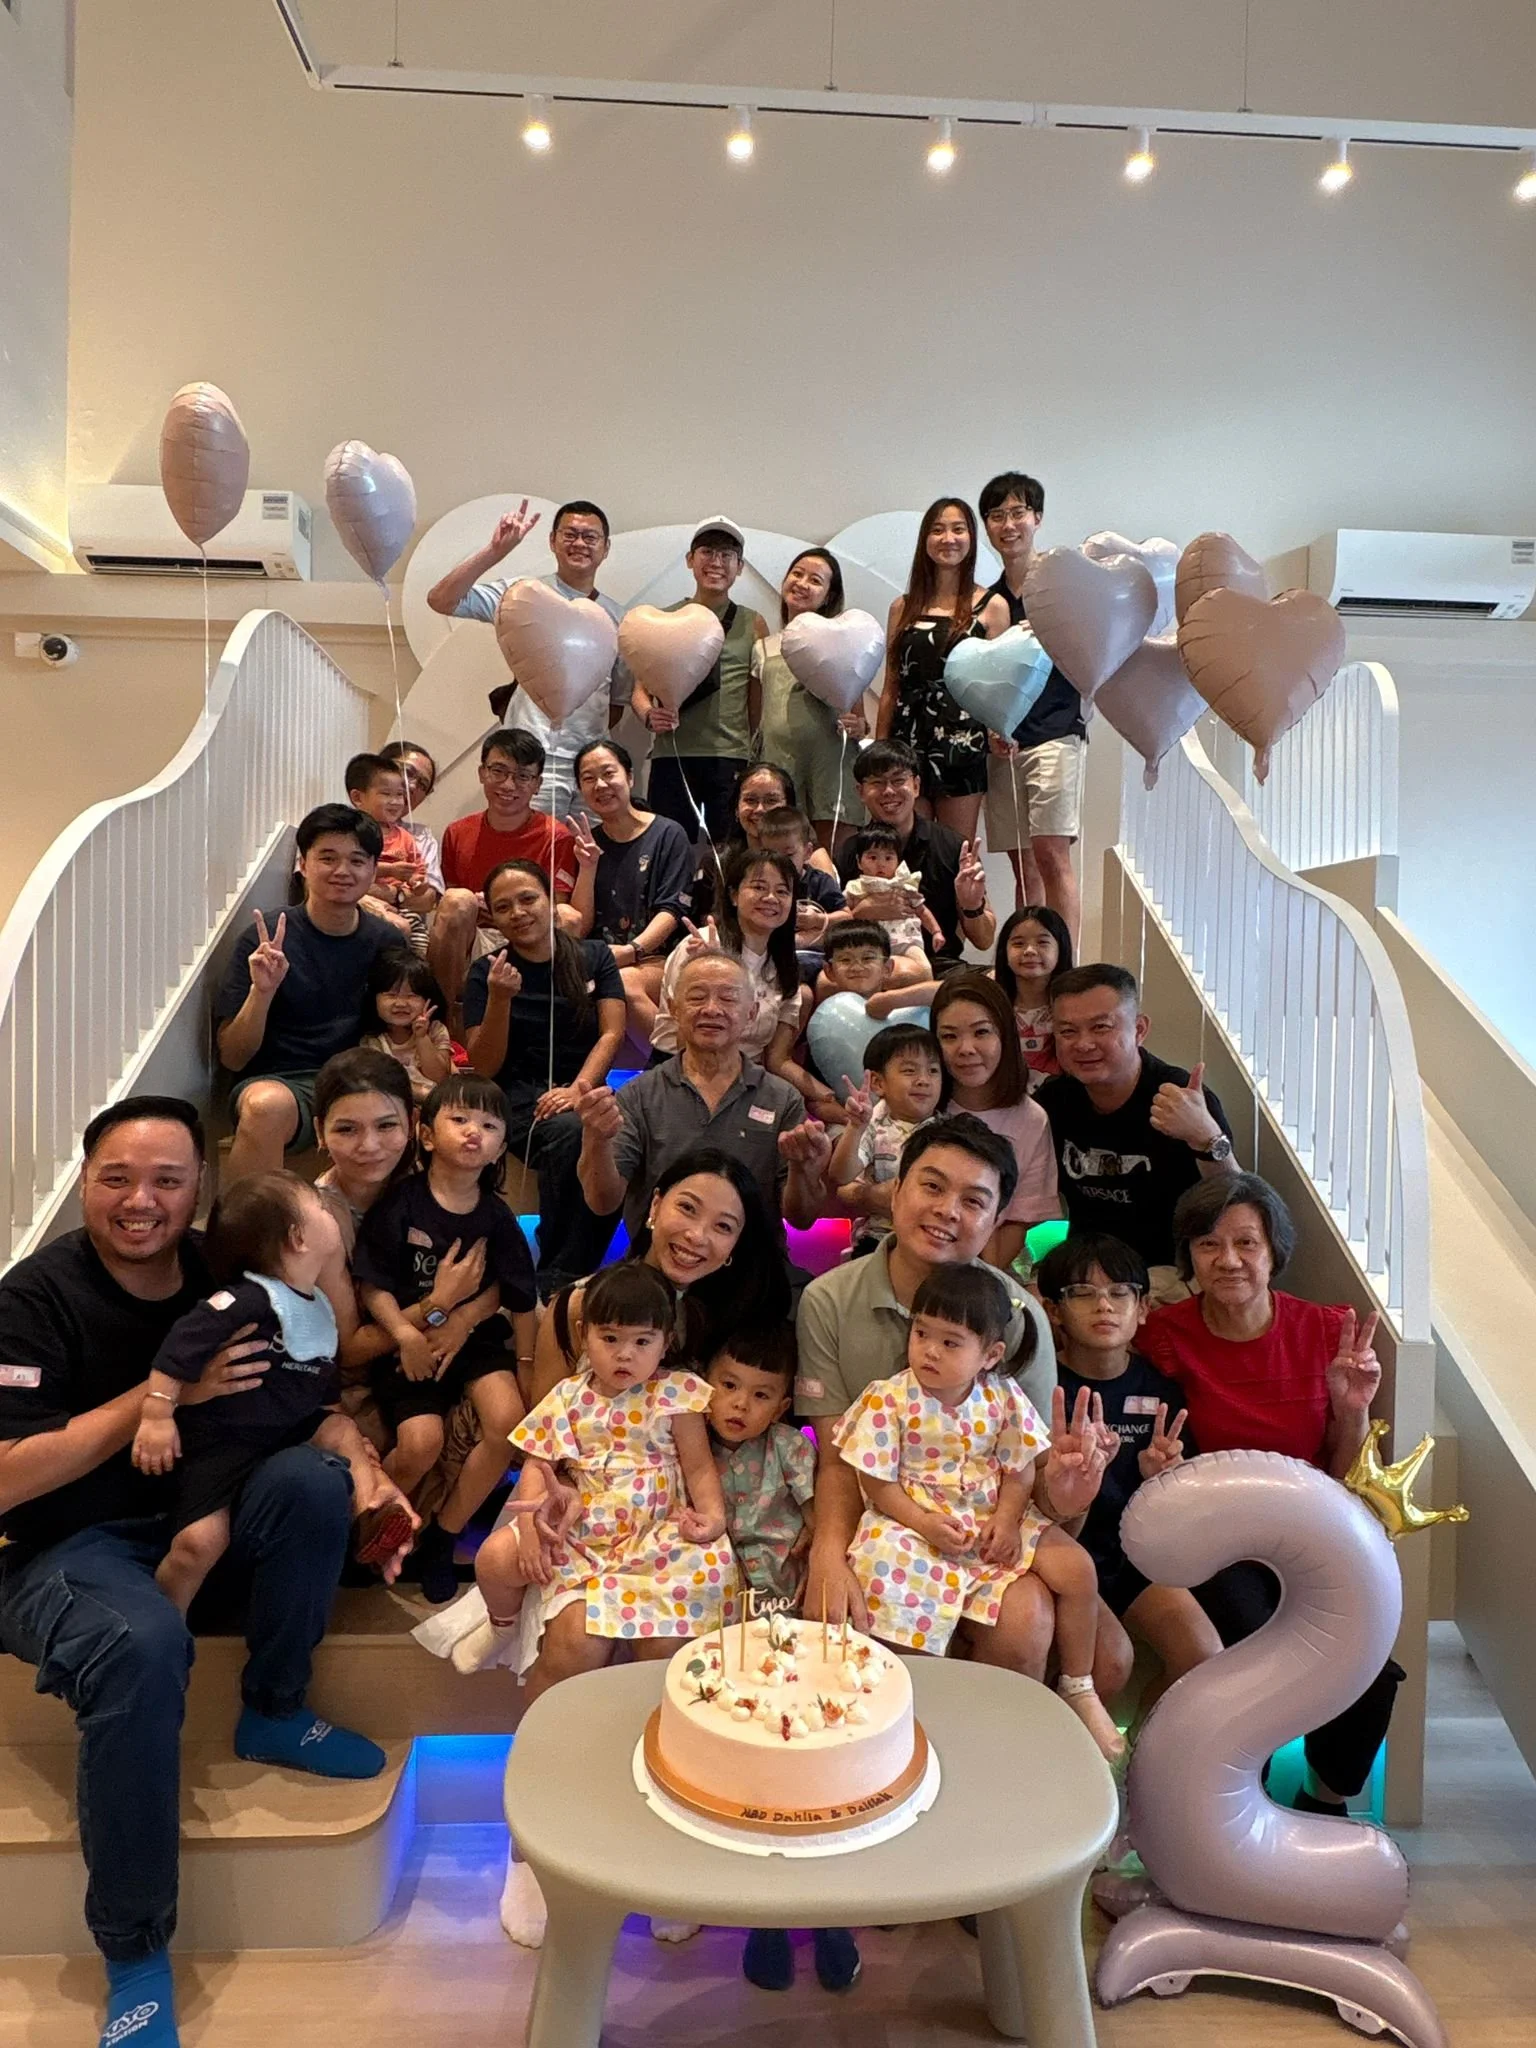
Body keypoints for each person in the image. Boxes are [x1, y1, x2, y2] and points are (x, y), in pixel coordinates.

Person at [0, 1098, 411, 2048]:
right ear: (86, 1180)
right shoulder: (34, 1300)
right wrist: (162, 1398)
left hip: (204, 1522)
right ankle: (135, 1953)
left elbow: (304, 1405)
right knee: (141, 1644)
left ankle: (273, 1708)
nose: (141, 1201)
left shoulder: (226, 1270)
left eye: (167, 1181)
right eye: (117, 1178)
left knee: (311, 1482)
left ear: (199, 1192)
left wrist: (364, 1464)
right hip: (70, 1551)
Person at [796, 1116, 1130, 1699]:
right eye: (932, 1186)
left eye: (973, 1201)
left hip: (985, 1524)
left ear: (997, 1221)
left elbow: (1032, 1474)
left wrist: (1068, 1493)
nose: (947, 1210)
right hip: (892, 1520)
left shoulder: (1017, 1317)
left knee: (1096, 1653)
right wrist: (829, 1553)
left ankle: (990, 1750)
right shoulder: (830, 1299)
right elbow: (837, 1459)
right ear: (895, 1191)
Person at [455, 1261, 730, 1948]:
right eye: (610, 1339)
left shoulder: (676, 1396)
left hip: (661, 1541)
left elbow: (699, 1468)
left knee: (668, 1660)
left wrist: (712, 1517)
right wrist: (532, 1515)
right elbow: (537, 1468)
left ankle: (668, 1835)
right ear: (585, 1337)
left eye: (642, 1341)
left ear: (666, 1342)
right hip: (589, 1538)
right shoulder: (569, 1399)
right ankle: (532, 1832)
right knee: (574, 1645)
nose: (624, 1355)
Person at [1140, 1174, 1402, 1815]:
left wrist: (1352, 1410)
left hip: (1315, 1534)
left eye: (1246, 1243)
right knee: (1258, 1640)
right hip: (1217, 1542)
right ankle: (1231, 1802)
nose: (1228, 1260)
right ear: (1189, 1255)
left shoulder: (1327, 1331)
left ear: (1274, 1251)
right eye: (1208, 1244)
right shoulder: (1164, 1336)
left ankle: (1324, 1800)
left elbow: (1342, 1477)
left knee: (1371, 1669)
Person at [836, 1262, 1124, 1761]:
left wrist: (1007, 1519)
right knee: (887, 1581)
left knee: (1077, 1567)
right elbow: (876, 1483)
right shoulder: (889, 1399)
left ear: (990, 1355)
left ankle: (1078, 1687)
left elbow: (1020, 1469)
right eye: (921, 1332)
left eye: (950, 1342)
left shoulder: (1003, 1396)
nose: (929, 1350)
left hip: (990, 1513)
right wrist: (923, 1522)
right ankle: (899, 1710)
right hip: (914, 1519)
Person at [132, 1172, 407, 1613]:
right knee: (198, 1544)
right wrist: (157, 1413)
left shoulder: (317, 1306)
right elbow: (180, 1345)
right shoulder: (249, 1299)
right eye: (320, 1206)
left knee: (340, 1429)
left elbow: (322, 1380)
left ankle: (370, 1508)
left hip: (287, 1430)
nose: (330, 1211)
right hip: (225, 1441)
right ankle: (168, 1621)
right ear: (298, 1238)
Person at [704, 1324, 860, 1997]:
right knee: (747, 1764)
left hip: (786, 1615)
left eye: (762, 1394)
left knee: (811, 1755)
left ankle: (829, 1911)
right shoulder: (685, 1443)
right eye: (728, 1385)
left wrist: (815, 1542)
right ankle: (764, 1914)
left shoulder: (791, 1449)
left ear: (783, 1405)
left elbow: (825, 1514)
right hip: (716, 1622)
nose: (741, 1404)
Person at [353, 1076, 538, 1601]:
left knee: (509, 1422)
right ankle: (374, 1527)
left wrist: (522, 1365)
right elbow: (372, 1285)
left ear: (501, 1147)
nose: (474, 1131)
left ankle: (443, 1534)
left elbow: (518, 1294)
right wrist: (404, 1333)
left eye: (489, 1125)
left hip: (475, 1342)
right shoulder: (401, 1203)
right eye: (459, 1119)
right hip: (408, 1342)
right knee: (421, 1440)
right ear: (428, 1134)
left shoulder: (496, 1216)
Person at [1036, 1234, 1220, 1687]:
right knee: (1112, 1663)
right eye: (1083, 1293)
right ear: (1054, 1310)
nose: (1104, 1305)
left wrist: (1161, 1479)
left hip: (1133, 1558)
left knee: (1204, 1654)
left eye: (1120, 1292)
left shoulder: (1162, 1390)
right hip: (1062, 1554)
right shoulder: (1040, 1386)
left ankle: (1146, 1735)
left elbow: (1179, 1505)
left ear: (1143, 1309)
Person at [575, 949, 834, 1243]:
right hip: (659, 1261)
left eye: (728, 998)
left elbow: (801, 1219)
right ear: (673, 1009)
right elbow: (602, 1203)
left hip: (754, 1262)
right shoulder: (638, 1095)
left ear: (751, 1013)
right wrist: (596, 1140)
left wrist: (804, 1170)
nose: (711, 1009)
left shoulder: (782, 1098)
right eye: (697, 997)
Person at [462, 859, 627, 1294]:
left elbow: (612, 1032)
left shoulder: (594, 956)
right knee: (572, 1132)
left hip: (584, 1087)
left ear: (551, 901)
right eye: (503, 907)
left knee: (614, 1132)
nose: (518, 912)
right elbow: (484, 1066)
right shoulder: (486, 971)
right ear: (493, 918)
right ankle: (561, 1273)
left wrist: (577, 1089)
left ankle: (587, 1265)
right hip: (517, 1096)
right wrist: (500, 999)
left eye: (528, 899)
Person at [215, 804, 402, 1180]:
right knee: (265, 1105)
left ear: (373, 870)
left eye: (357, 860)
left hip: (358, 1079)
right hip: (281, 1082)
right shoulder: (265, 941)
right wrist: (262, 992)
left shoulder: (387, 941)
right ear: (303, 864)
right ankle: (250, 1219)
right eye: (327, 858)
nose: (342, 871)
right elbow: (233, 1057)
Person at [527, 1148, 791, 1405]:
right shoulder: (581, 1303)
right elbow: (542, 1423)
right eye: (687, 1208)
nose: (697, 1235)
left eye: (723, 1226)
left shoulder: (733, 1321)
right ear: (655, 1205)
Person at [1037, 964, 1236, 1294]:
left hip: (1174, 1276)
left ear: (1139, 1029)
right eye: (1068, 1031)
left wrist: (1205, 1137)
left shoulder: (1180, 1098)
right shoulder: (1053, 1101)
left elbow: (1238, 1202)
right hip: (1088, 1276)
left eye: (1100, 1027)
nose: (1083, 1044)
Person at [425, 499, 629, 815]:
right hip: (531, 762)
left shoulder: (619, 617)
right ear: (552, 540)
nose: (579, 543)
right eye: (570, 534)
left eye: (590, 537)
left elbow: (616, 700)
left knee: (589, 848)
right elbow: (441, 600)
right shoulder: (522, 594)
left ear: (606, 548)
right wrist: (495, 551)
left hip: (593, 765)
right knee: (531, 846)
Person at [978, 472, 1088, 937]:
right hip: (1006, 743)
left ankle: (1068, 964)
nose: (1008, 525)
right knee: (1024, 866)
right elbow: (985, 679)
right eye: (996, 515)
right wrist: (992, 727)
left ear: (1037, 518)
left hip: (1057, 732)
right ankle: (1032, 961)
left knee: (1051, 853)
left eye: (1017, 513)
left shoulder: (1064, 587)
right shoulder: (989, 601)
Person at [656, 851, 839, 1118]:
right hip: (681, 1073)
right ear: (733, 895)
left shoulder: (785, 966)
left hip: (745, 1079)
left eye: (782, 891)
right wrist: (708, 970)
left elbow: (778, 1060)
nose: (771, 898)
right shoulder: (701, 945)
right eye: (759, 887)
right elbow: (686, 1041)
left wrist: (833, 1097)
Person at [874, 498, 1010, 842]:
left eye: (958, 529)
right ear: (925, 540)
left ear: (971, 538)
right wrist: (879, 750)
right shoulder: (902, 607)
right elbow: (891, 685)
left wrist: (999, 733)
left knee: (955, 851)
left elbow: (999, 688)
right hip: (907, 742)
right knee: (903, 849)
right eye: (938, 530)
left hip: (963, 743)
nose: (948, 538)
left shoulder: (992, 607)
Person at [636, 517, 767, 845]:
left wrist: (750, 749)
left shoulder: (753, 622)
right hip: (673, 754)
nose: (716, 562)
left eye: (727, 555)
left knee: (730, 850)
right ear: (690, 560)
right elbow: (639, 689)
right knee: (670, 847)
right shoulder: (663, 618)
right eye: (707, 551)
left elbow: (756, 697)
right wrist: (649, 715)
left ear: (739, 567)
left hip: (730, 756)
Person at [429, 728, 580, 1009]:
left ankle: (558, 1014)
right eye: (498, 771)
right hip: (475, 936)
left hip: (529, 934)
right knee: (457, 900)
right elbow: (449, 906)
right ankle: (443, 1015)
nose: (509, 785)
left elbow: (557, 905)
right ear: (482, 773)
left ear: (537, 784)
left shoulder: (556, 836)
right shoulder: (458, 832)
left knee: (569, 917)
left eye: (523, 776)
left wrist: (509, 911)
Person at [565, 737, 693, 1044]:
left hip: (656, 957)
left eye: (608, 773)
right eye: (588, 778)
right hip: (601, 958)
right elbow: (580, 924)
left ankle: (683, 1061)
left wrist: (633, 950)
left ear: (630, 777)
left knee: (622, 984)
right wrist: (588, 867)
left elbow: (672, 909)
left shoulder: (668, 834)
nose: (600, 785)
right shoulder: (587, 842)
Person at [929, 971, 1060, 1273]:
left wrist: (972, 1277)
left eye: (981, 1032)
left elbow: (1018, 1221)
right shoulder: (920, 1105)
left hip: (987, 1268)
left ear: (1005, 1036)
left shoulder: (1031, 1119)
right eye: (949, 1036)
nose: (966, 1048)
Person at [839, 740, 995, 967]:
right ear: (861, 792)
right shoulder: (849, 851)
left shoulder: (953, 847)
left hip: (939, 966)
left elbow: (984, 940)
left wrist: (971, 905)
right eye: (877, 782)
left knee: (993, 980)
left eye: (898, 780)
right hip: (865, 969)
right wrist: (860, 913)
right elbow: (830, 930)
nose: (889, 791)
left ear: (916, 785)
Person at [754, 548, 866, 851]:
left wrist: (858, 727)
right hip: (779, 764)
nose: (802, 583)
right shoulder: (762, 647)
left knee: (835, 857)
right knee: (782, 857)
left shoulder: (844, 643)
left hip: (831, 766)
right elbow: (756, 717)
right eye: (797, 574)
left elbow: (859, 718)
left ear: (829, 596)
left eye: (815, 580)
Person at [830, 1022, 945, 1255]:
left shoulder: (948, 1131)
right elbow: (840, 1175)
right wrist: (856, 1127)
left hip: (933, 1240)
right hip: (879, 1241)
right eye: (910, 1071)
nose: (924, 1080)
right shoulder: (874, 1127)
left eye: (933, 1070)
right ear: (878, 1083)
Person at [345, 751, 438, 931]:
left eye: (399, 795)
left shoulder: (410, 836)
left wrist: (416, 882)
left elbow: (426, 896)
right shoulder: (346, 830)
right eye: (386, 793)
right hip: (359, 909)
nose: (412, 786)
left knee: (418, 939)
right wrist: (391, 871)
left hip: (406, 912)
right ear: (358, 797)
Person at [756, 804, 847, 963]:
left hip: (816, 956)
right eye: (771, 855)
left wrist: (817, 919)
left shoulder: (819, 881)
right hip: (772, 957)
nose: (781, 862)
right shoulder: (758, 885)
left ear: (807, 852)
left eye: (789, 854)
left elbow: (846, 917)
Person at [360, 949, 454, 1103]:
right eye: (391, 995)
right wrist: (422, 1094)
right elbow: (380, 1083)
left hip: (436, 1104)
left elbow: (440, 1077)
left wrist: (422, 1038)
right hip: (392, 1103)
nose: (401, 1003)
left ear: (428, 1000)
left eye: (412, 996)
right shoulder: (371, 1039)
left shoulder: (436, 1030)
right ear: (374, 998)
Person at [993, 905, 1072, 1085]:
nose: (1029, 950)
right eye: (1018, 943)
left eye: (1042, 942)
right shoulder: (992, 1006)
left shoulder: (1075, 1008)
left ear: (1061, 948)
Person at [842, 823, 943, 963]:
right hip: (868, 944)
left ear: (898, 862)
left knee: (923, 967)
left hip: (907, 941)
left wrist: (936, 931)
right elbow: (842, 915)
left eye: (888, 858)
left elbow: (921, 909)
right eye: (873, 858)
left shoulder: (904, 885)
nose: (881, 864)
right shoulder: (855, 887)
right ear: (859, 862)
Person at [377, 740, 446, 902]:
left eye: (423, 784)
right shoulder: (342, 825)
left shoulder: (421, 836)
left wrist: (392, 895)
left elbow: (428, 898)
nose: (413, 786)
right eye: (407, 772)